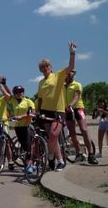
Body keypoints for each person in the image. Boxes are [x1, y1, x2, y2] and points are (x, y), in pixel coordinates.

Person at [36, 42, 76, 171]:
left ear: (50, 67)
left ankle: (53, 157)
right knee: (52, 138)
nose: (45, 68)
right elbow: (40, 98)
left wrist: (72, 52)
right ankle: (58, 160)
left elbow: (70, 67)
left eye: (47, 66)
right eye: (43, 67)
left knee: (53, 135)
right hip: (45, 112)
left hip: (58, 110)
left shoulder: (58, 75)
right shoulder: (41, 82)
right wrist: (37, 112)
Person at [0, 78, 36, 174]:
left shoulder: (28, 101)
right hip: (18, 127)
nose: (19, 93)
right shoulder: (13, 100)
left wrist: (22, 116)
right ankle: (29, 164)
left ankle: (30, 165)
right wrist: (1, 84)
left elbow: (32, 114)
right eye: (17, 92)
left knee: (28, 146)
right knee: (24, 145)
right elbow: (6, 92)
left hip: (27, 125)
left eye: (21, 92)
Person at [64, 70, 98, 164]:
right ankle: (79, 153)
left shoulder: (77, 84)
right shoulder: (63, 86)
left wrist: (70, 105)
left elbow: (76, 97)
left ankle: (91, 154)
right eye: (69, 74)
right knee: (72, 133)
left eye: (72, 74)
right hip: (67, 110)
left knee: (84, 129)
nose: (71, 76)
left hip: (78, 108)